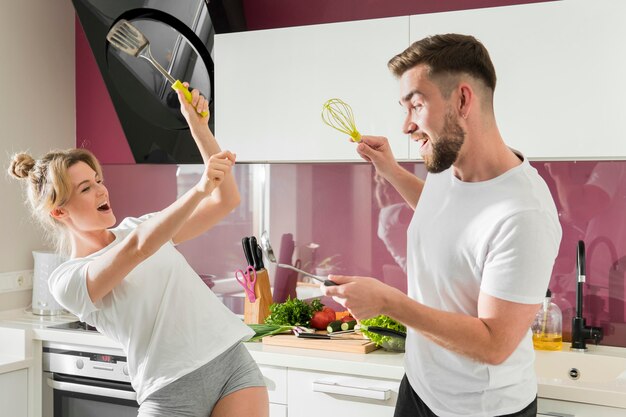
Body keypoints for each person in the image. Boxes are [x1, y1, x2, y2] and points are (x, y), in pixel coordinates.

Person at [322, 34, 562, 417]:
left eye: (416, 105)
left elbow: (493, 343)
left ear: (463, 99)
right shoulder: (448, 165)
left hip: (479, 409)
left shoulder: (523, 213)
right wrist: (391, 171)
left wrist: (388, 302)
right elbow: (449, 218)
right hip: (420, 386)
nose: (406, 126)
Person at [9, 84, 269, 417]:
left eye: (98, 180)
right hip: (169, 389)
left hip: (231, 364)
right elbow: (138, 249)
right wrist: (200, 187)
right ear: (59, 212)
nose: (102, 190)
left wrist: (199, 128)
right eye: (86, 188)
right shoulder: (66, 279)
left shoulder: (138, 226)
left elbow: (226, 200)